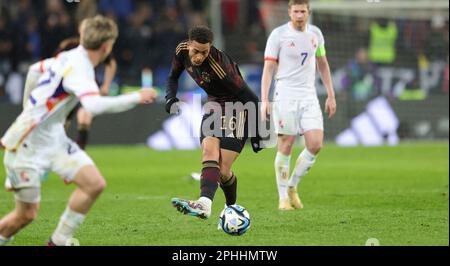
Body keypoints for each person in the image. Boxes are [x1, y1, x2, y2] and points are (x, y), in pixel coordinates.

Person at [0, 15, 157, 246]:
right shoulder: (81, 69)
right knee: (26, 215)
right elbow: (93, 105)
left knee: (94, 184)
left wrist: (29, 107)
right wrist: (137, 96)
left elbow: (35, 70)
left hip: (52, 138)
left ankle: (57, 241)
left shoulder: (67, 56)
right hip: (26, 144)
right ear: (106, 47)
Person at [166, 25, 263, 219]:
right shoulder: (181, 50)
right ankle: (205, 204)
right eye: (196, 51)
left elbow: (250, 98)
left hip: (237, 107)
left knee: (224, 171)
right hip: (214, 105)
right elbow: (173, 77)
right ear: (189, 44)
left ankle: (232, 208)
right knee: (208, 151)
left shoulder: (220, 67)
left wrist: (258, 133)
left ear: (210, 48)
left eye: (204, 52)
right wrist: (170, 98)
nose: (199, 57)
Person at [260, 0, 337, 210]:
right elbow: (268, 68)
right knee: (286, 144)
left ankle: (293, 185)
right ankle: (283, 197)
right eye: (296, 11)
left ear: (309, 12)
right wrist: (264, 100)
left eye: (303, 11)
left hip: (309, 95)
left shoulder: (316, 34)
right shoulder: (278, 35)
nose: (300, 15)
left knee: (315, 144)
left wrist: (331, 94)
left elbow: (322, 63)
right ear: (289, 13)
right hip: (285, 93)